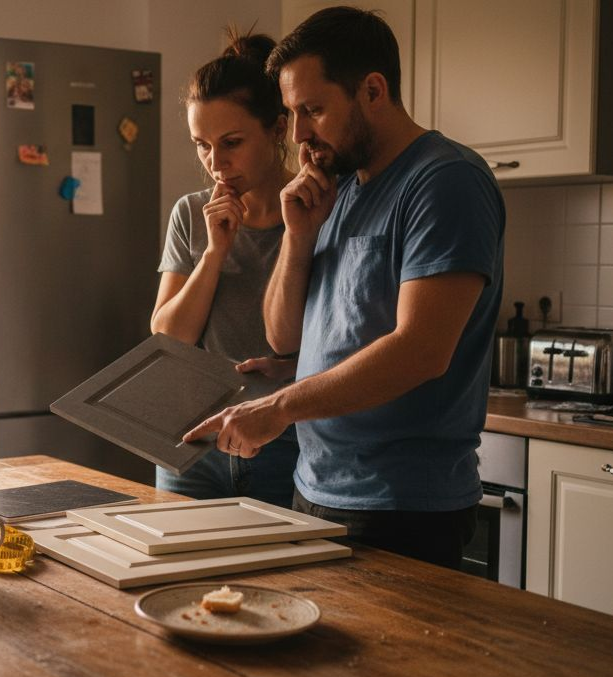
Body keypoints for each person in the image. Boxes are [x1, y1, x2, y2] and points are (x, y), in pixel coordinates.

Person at [182, 6, 505, 570]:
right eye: (291, 112)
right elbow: (285, 341)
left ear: (373, 90)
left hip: (403, 505)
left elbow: (422, 350)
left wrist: (278, 409)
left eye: (313, 110)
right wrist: (299, 239)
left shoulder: (445, 181)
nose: (300, 133)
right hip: (317, 489)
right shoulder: (341, 187)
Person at [150, 30, 299, 506]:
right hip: (190, 444)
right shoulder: (191, 214)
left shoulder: (316, 212)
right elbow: (169, 338)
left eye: (231, 142)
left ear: (278, 128)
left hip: (283, 446)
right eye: (202, 145)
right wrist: (214, 252)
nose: (216, 163)